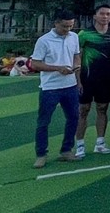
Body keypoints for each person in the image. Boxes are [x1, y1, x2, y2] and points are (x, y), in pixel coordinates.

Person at [31, 10, 82, 169]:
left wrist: (76, 69)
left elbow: (76, 55)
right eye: (65, 26)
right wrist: (57, 68)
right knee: (44, 121)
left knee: (74, 117)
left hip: (70, 85)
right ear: (56, 23)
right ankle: (41, 154)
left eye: (71, 26)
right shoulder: (44, 40)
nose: (68, 29)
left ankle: (66, 150)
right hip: (50, 87)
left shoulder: (74, 37)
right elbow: (35, 64)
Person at [76, 4, 110, 158]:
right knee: (83, 109)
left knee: (102, 108)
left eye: (108, 14)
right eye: (102, 13)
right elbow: (77, 57)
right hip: (86, 78)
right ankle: (80, 145)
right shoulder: (84, 34)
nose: (105, 17)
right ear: (95, 16)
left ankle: (100, 143)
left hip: (105, 78)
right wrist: (77, 80)